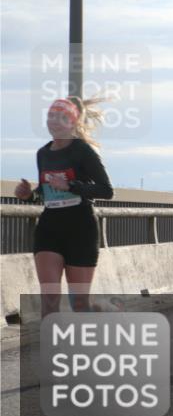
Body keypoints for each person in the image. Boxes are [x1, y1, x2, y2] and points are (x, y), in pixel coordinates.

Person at [15, 97, 114, 317]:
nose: (54, 122)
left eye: (61, 118)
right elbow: (45, 192)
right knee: (49, 301)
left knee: (80, 306)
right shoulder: (43, 153)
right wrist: (29, 194)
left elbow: (106, 190)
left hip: (81, 228)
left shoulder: (83, 151)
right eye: (50, 116)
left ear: (72, 122)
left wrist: (71, 185)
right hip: (50, 227)